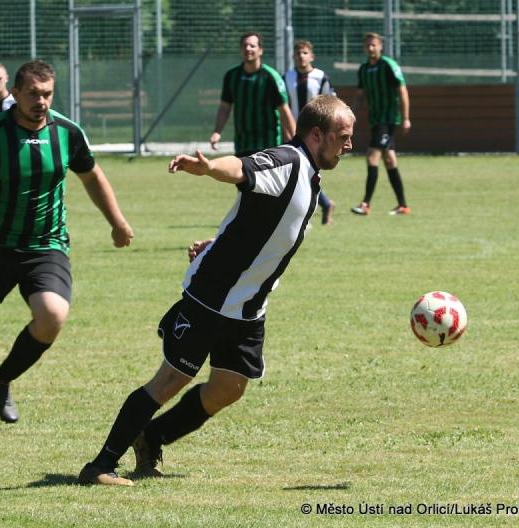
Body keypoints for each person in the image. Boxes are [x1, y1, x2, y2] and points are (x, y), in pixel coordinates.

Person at [78, 95, 355, 486]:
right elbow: (241, 168)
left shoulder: (310, 175)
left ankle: (153, 435)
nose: (349, 145)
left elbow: (266, 226)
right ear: (316, 134)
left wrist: (219, 241)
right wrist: (209, 168)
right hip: (214, 295)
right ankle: (99, 466)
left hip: (248, 305)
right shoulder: (287, 161)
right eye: (342, 137)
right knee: (170, 380)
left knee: (228, 387)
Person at [0, 60, 134, 432]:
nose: (41, 101)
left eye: (47, 94)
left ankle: (0, 381)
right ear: (15, 94)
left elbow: (92, 177)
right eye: (33, 94)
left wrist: (117, 222)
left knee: (52, 316)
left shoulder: (67, 132)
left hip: (45, 245)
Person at [350, 32, 411, 216]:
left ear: (380, 46)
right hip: (375, 120)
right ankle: (403, 206)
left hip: (389, 119)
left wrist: (406, 118)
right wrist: (350, 115)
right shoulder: (363, 69)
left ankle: (365, 204)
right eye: (367, 45)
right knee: (390, 160)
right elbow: (360, 95)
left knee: (372, 156)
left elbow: (402, 91)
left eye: (374, 45)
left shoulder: (388, 65)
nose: (371, 48)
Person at [210, 32, 295, 157]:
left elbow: (284, 111)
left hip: (268, 145)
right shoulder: (232, 76)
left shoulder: (271, 77)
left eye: (252, 46)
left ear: (260, 50)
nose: (248, 48)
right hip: (242, 145)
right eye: (244, 46)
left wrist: (295, 140)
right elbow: (225, 107)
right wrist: (217, 132)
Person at [285, 40, 337, 225]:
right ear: (293, 56)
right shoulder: (287, 77)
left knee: (305, 171)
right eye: (298, 53)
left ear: (312, 56)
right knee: (297, 171)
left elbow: (331, 104)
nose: (301, 56)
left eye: (305, 53)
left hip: (314, 134)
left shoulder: (320, 77)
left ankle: (321, 205)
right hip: (292, 132)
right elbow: (283, 105)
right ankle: (323, 204)